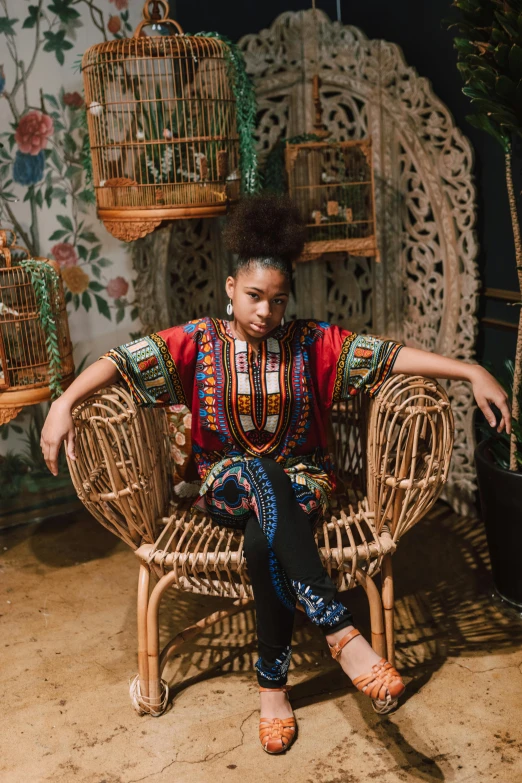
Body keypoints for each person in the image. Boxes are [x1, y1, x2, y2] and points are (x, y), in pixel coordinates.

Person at [41, 194, 511, 755]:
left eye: (278, 300)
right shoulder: (196, 340)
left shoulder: (312, 343)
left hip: (304, 482)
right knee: (258, 473)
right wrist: (64, 402)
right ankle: (339, 630)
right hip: (224, 485)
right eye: (255, 296)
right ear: (230, 290)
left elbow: (388, 356)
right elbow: (118, 361)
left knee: (266, 539)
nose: (266, 311)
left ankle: (273, 690)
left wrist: (470, 369)